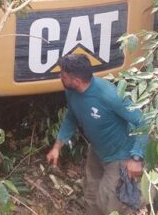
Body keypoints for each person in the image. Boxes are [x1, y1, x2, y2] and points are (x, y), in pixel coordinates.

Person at [45, 54, 148, 215]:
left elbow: (143, 122)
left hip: (120, 156)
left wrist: (136, 157)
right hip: (98, 151)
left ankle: (149, 193)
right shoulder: (71, 91)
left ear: (77, 80)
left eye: (63, 75)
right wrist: (57, 146)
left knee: (109, 204)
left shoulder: (110, 95)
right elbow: (72, 116)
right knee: (91, 194)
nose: (60, 77)